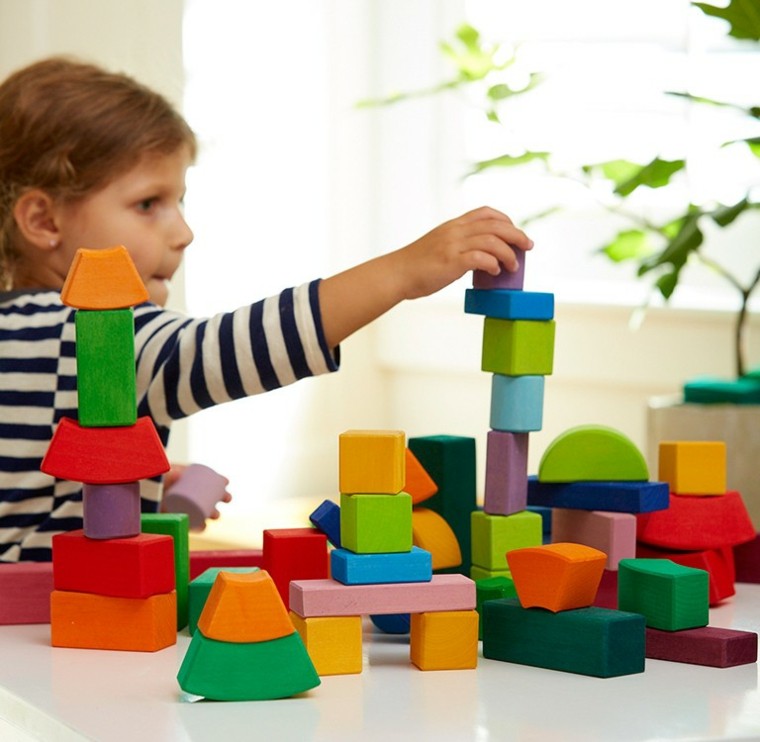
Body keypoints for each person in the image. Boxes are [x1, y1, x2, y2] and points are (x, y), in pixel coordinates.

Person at [0, 57, 532, 562]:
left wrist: (136, 481)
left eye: (179, 201)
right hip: (37, 623)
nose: (182, 233)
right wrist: (400, 272)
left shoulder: (22, 333)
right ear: (44, 221)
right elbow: (217, 353)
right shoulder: (85, 333)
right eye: (147, 204)